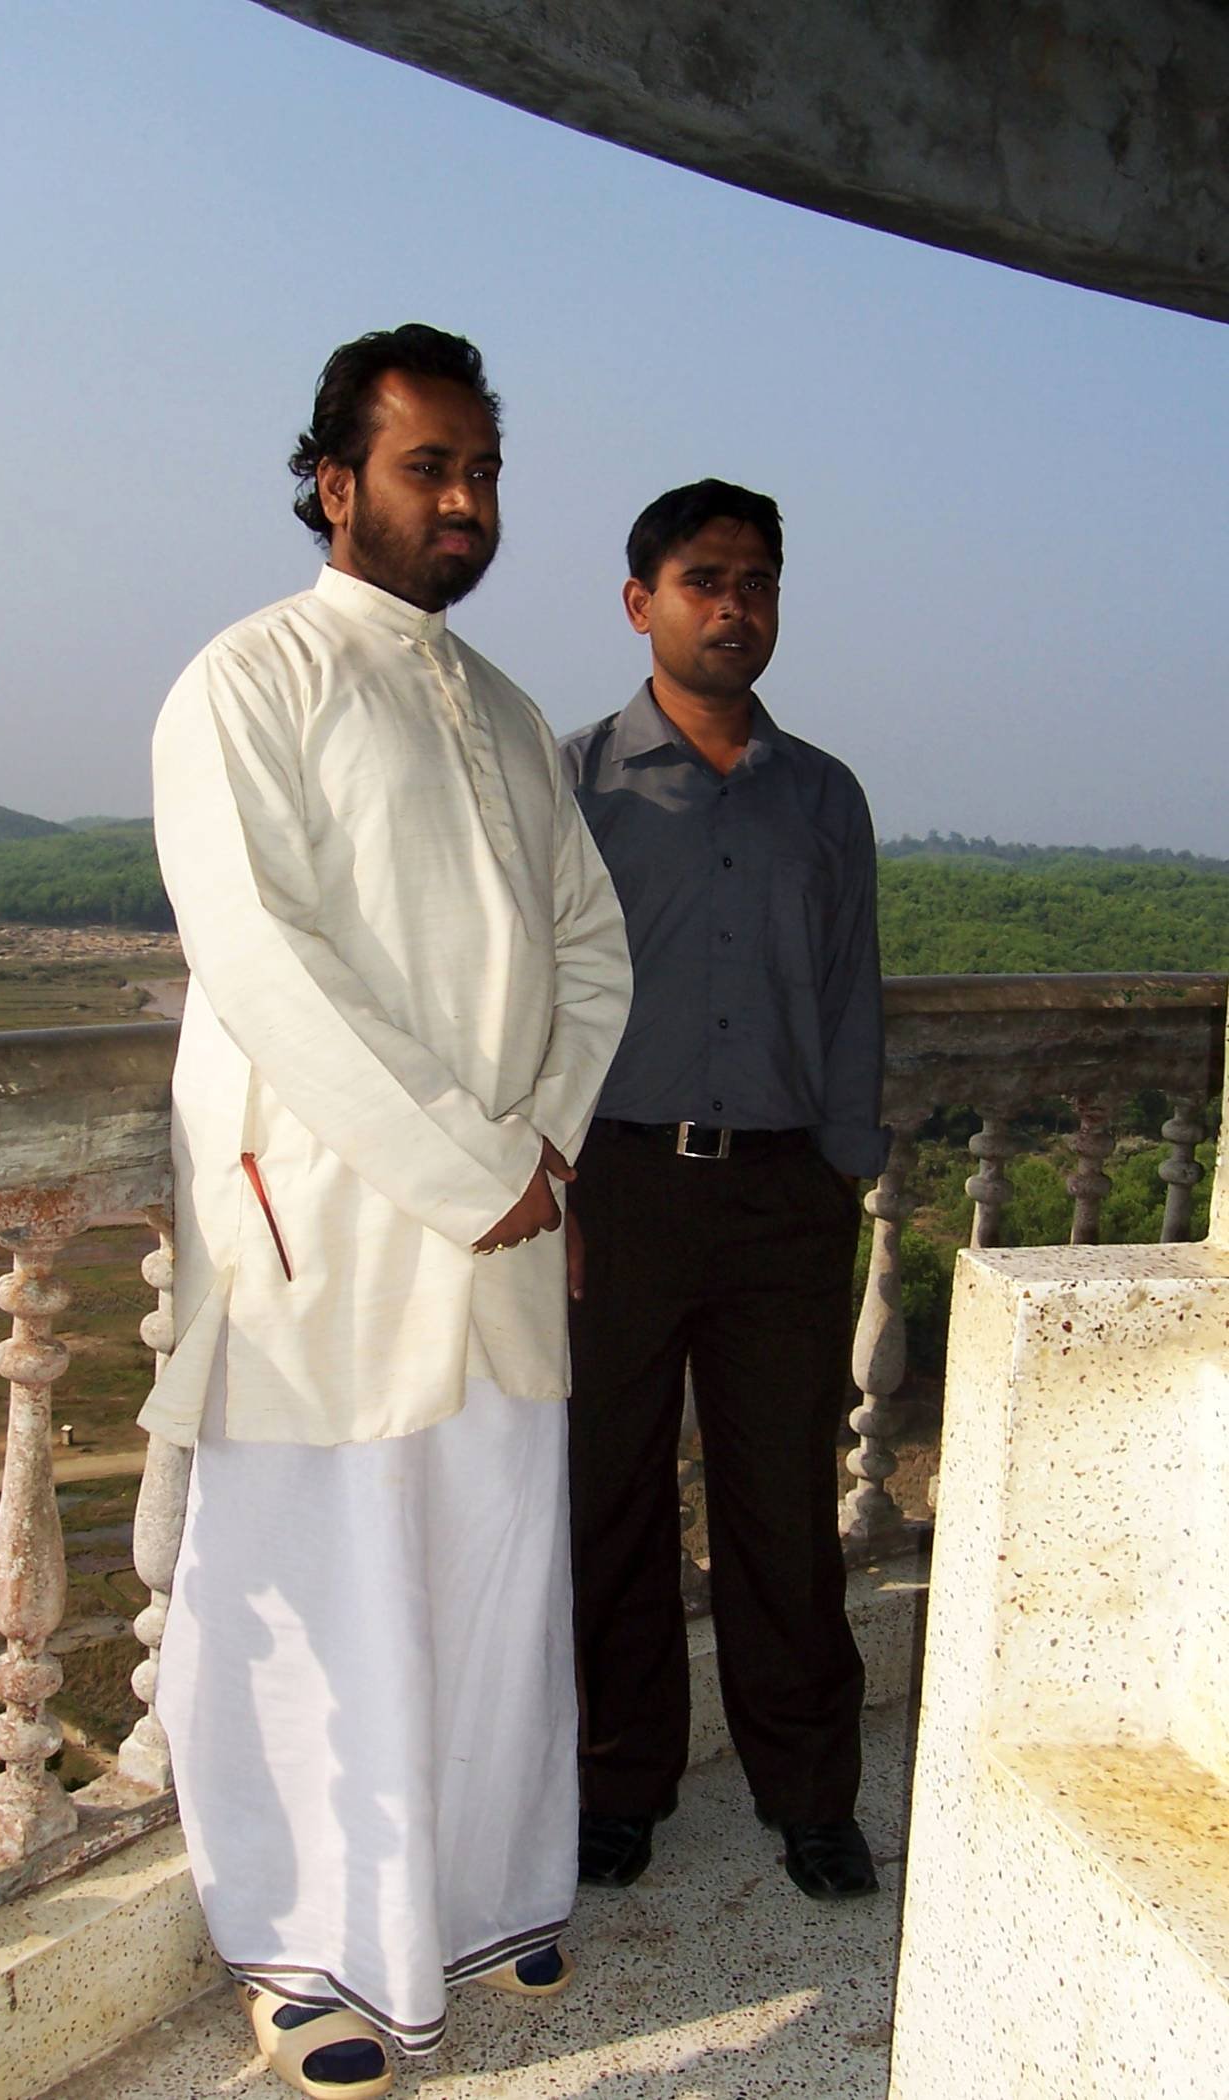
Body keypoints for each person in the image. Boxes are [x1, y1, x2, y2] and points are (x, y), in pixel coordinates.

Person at [140, 324, 631, 2099]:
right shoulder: (245, 679)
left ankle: (491, 1892)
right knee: (313, 1587)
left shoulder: (504, 709)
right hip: (325, 1234)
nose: (468, 502)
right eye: (432, 467)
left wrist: (540, 1147)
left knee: (493, 1571)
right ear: (336, 482)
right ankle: (304, 1946)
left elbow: (591, 945)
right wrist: (458, 1160)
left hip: (503, 1212)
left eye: (485, 469)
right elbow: (264, 961)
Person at [560, 478, 887, 1904]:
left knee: (780, 1505)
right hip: (621, 1188)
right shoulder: (574, 784)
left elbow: (852, 989)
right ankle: (616, 1784)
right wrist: (554, 1180)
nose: (734, 605)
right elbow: (530, 994)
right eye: (704, 578)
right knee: (608, 1498)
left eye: (757, 579)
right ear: (641, 602)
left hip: (783, 1202)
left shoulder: (826, 793)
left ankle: (811, 1793)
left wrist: (845, 1166)